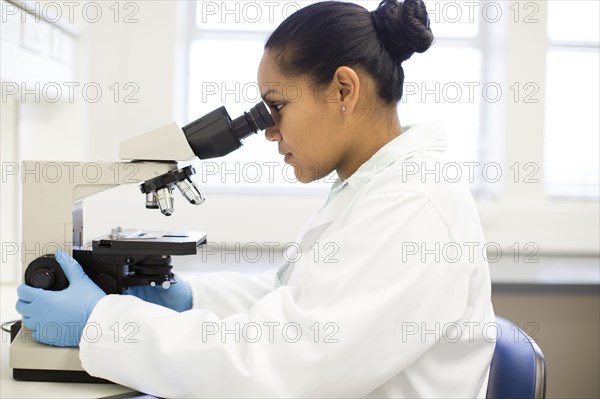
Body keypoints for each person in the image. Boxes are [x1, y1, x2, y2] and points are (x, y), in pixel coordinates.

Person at [16, 0, 496, 397]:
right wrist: (187, 299)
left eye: (277, 106)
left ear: (343, 89)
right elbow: (292, 298)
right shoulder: (372, 187)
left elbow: (283, 363)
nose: (268, 131)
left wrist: (104, 322)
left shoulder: (415, 207)